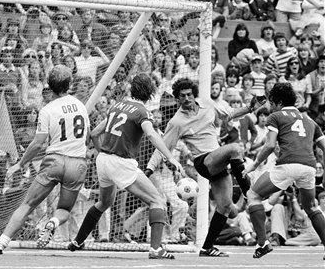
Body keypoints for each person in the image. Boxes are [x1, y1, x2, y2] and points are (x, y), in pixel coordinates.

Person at [67, 74, 183, 260]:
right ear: (151, 93)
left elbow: (95, 132)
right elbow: (152, 135)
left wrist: (104, 153)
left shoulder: (117, 106)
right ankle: (156, 249)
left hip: (103, 160)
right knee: (157, 201)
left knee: (104, 203)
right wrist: (170, 158)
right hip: (121, 162)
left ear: (132, 89)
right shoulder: (142, 112)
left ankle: (77, 241)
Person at [147, 78, 265, 257]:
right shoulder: (177, 122)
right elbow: (163, 147)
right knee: (235, 148)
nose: (186, 99)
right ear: (177, 99)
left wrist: (250, 108)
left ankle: (207, 247)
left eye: (189, 95)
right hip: (203, 161)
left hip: (219, 159)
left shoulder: (207, 105)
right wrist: (149, 168)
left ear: (194, 94)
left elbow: (229, 115)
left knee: (228, 209)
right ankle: (249, 193)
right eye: (182, 96)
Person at [0, 65, 90, 255]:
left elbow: (37, 144)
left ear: (49, 86)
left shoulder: (47, 110)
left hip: (54, 162)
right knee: (65, 209)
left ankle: (0, 244)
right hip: (77, 163)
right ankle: (53, 222)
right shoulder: (81, 106)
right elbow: (86, 137)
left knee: (27, 205)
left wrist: (20, 164)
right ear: (69, 85)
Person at [242, 82, 325, 260]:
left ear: (278, 102)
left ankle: (262, 243)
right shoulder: (309, 120)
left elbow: (270, 145)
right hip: (309, 167)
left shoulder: (276, 116)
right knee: (311, 207)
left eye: (271, 102)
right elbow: (324, 146)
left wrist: (255, 164)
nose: (270, 106)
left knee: (253, 195)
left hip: (287, 165)